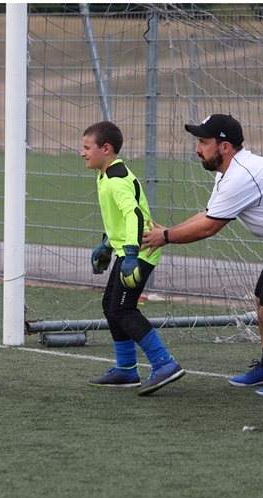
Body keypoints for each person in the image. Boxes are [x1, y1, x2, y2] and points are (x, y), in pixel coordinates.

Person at [141, 114, 263, 397]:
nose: (197, 148)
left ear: (224, 147)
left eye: (203, 142)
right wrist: (169, 231)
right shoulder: (229, 172)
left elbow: (210, 227)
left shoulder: (241, 175)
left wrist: (165, 237)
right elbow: (209, 214)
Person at [82, 121, 185, 396]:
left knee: (124, 309)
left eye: (86, 147)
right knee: (111, 305)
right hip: (128, 250)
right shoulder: (105, 174)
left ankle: (164, 363)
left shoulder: (116, 180)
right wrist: (106, 244)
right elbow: (119, 216)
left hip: (140, 252)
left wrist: (128, 255)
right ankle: (126, 369)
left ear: (106, 149)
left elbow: (134, 216)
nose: (82, 153)